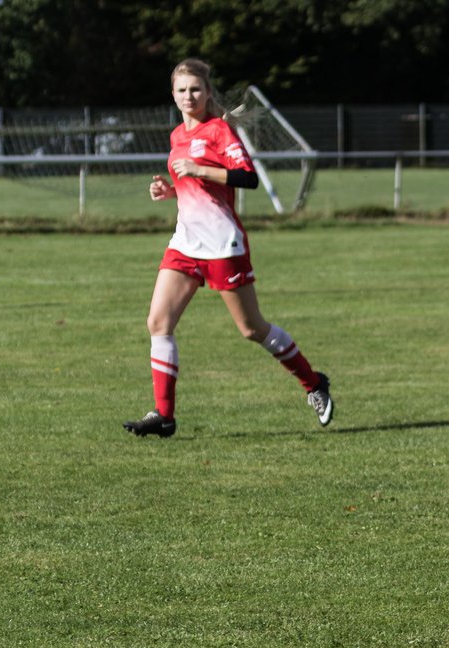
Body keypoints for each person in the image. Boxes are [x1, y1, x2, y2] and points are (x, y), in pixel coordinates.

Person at [123, 58, 333, 438]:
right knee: (158, 323)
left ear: (207, 93)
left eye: (196, 89)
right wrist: (169, 189)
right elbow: (194, 188)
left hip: (222, 246)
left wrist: (200, 169)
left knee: (252, 329)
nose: (189, 96)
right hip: (185, 243)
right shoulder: (176, 136)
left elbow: (247, 178)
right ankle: (164, 415)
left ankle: (314, 383)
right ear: (173, 95)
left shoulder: (218, 131)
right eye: (182, 90)